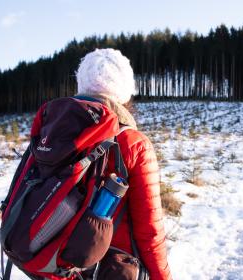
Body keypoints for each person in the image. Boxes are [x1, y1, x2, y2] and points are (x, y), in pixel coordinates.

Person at [74, 48, 172, 280]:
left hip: (56, 264)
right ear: (124, 91)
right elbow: (150, 232)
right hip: (110, 268)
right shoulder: (133, 143)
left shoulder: (55, 132)